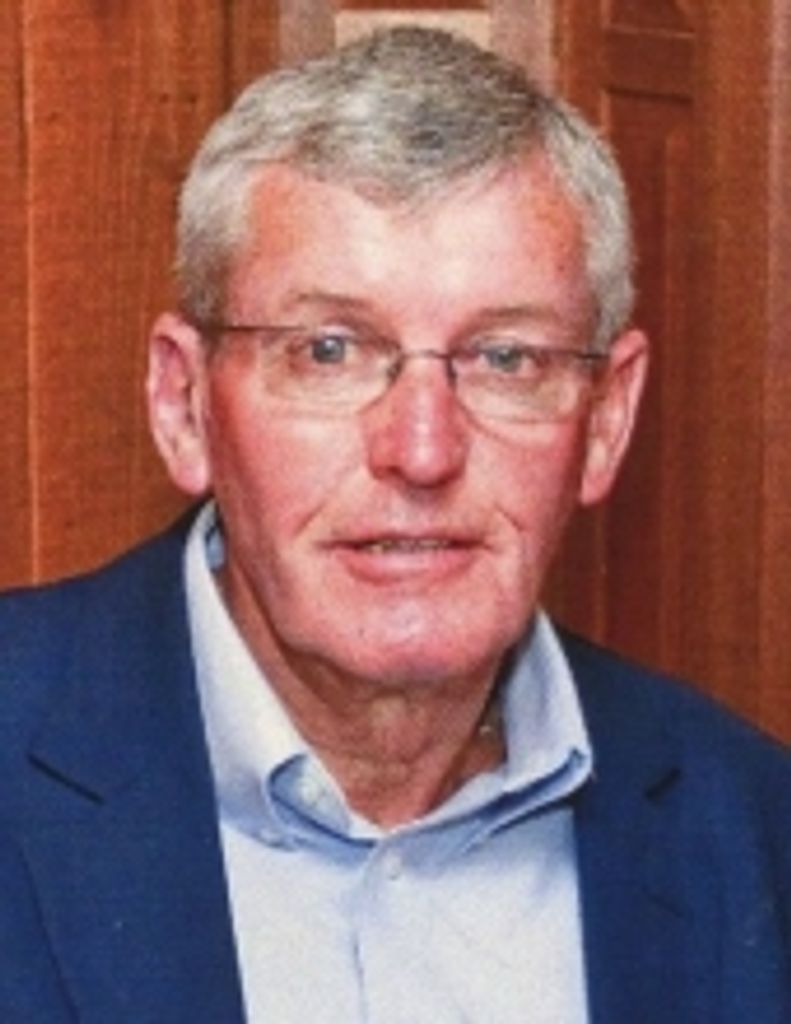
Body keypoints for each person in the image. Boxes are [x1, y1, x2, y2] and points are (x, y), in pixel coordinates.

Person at [0, 25, 788, 1024]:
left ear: (604, 421)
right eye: (328, 350)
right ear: (183, 403)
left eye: (505, 358)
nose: (421, 449)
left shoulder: (752, 835)